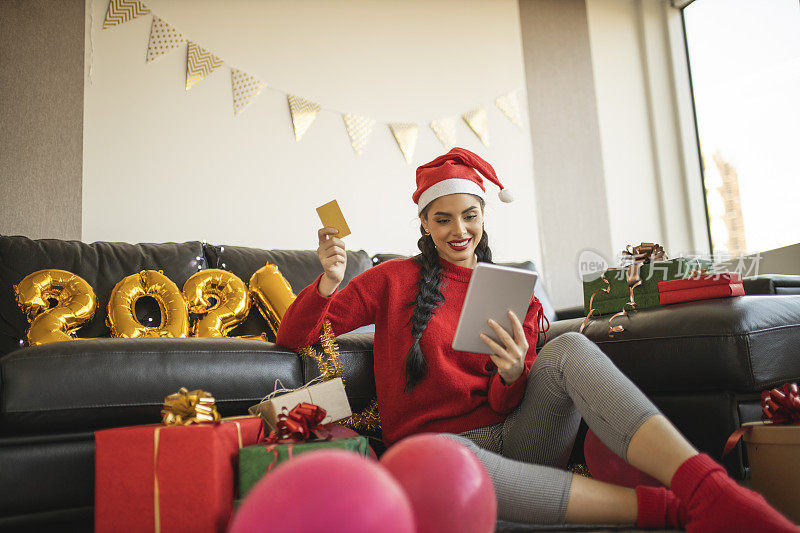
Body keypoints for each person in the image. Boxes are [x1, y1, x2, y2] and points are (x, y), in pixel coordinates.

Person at [276, 148, 796, 531]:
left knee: (568, 348)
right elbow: (294, 335)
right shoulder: (391, 280)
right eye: (444, 219)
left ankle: (708, 487)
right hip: (440, 450)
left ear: (483, 216)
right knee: (443, 459)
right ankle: (672, 511)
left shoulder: (510, 290)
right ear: (425, 223)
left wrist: (512, 372)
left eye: (470, 215)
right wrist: (327, 281)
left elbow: (510, 398)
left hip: (520, 437)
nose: (459, 230)